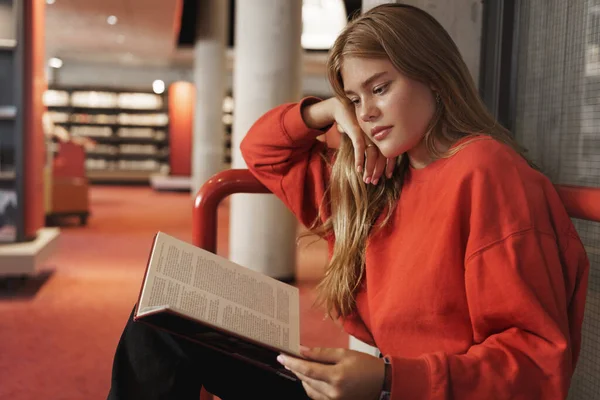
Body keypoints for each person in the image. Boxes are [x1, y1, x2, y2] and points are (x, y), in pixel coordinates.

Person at [107, 4, 590, 400]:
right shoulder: (377, 171)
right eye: (356, 100)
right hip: (376, 387)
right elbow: (263, 150)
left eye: (380, 88)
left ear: (435, 79)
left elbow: (535, 365)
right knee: (160, 322)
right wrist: (328, 108)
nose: (369, 113)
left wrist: (390, 380)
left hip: (402, 389)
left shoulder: (487, 173)